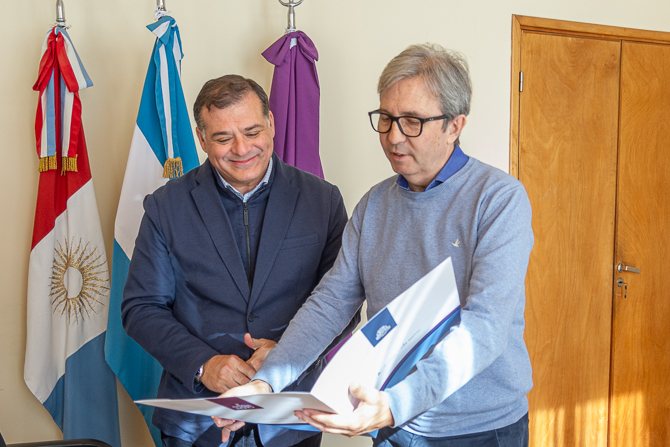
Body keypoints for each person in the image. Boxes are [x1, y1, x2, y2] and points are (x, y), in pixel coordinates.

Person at [215, 43, 534, 446]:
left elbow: (485, 326)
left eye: (412, 121)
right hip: (392, 424)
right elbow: (330, 304)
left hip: (477, 429)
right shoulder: (374, 205)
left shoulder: (498, 199)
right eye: (386, 119)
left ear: (454, 126)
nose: (394, 137)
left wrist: (396, 404)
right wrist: (265, 383)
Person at [122, 74, 358, 447]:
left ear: (271, 123)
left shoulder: (323, 201)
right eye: (223, 138)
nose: (242, 148)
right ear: (201, 139)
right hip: (197, 422)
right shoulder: (166, 206)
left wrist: (288, 356)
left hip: (291, 420)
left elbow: (344, 305)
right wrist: (204, 365)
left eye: (252, 131)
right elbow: (141, 308)